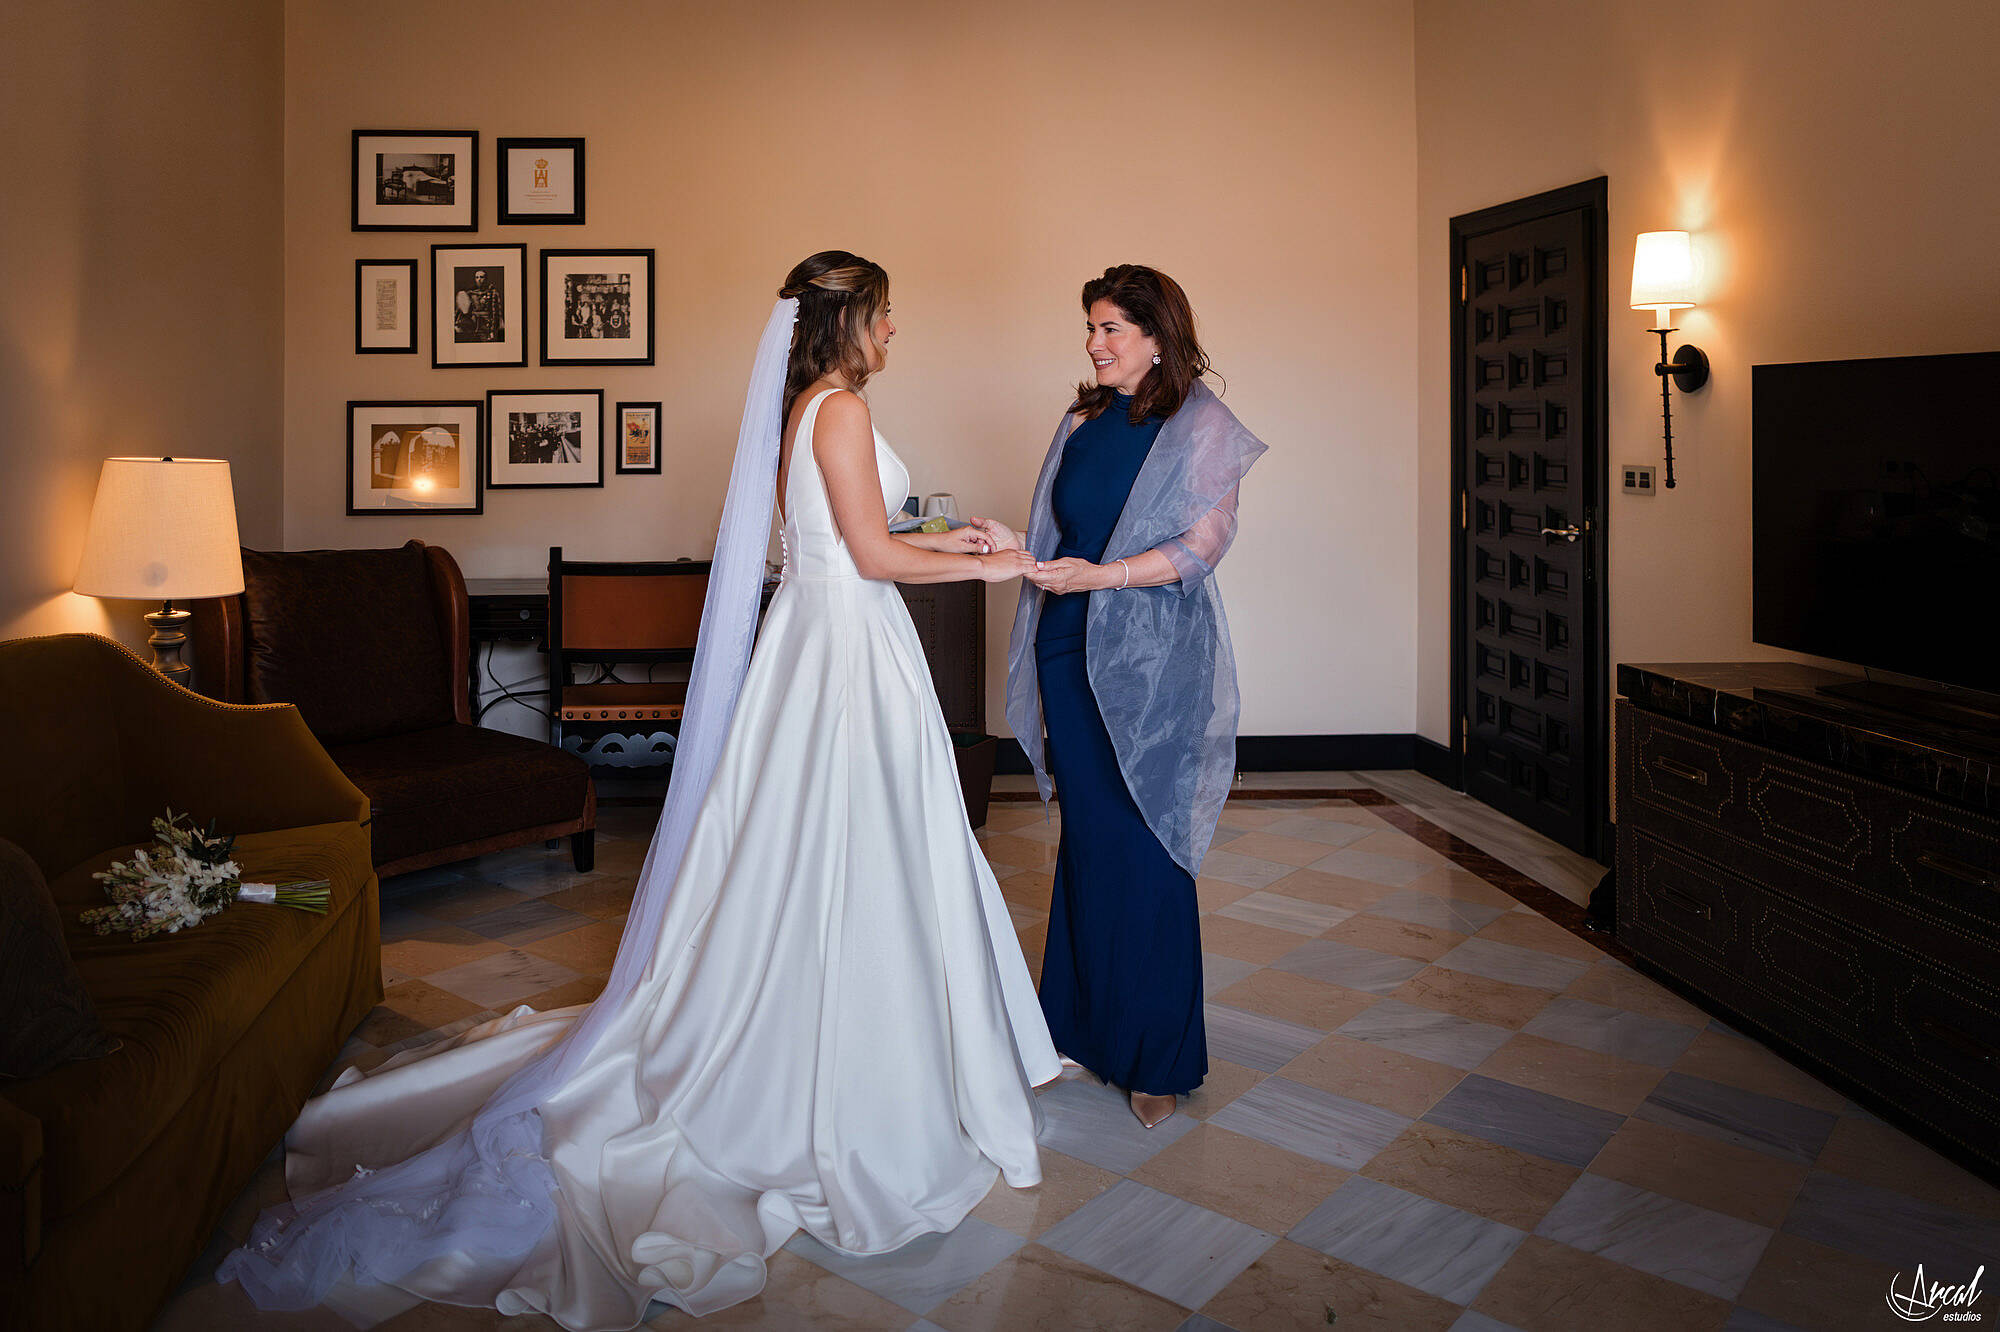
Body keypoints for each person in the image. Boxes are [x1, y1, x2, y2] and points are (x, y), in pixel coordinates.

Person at [218, 251, 1057, 1329]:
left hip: (824, 640)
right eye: (888, 315)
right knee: (857, 845)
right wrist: (992, 566)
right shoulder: (839, 408)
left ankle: (844, 1019)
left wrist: (951, 534)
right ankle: (852, 1065)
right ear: (849, 322)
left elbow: (853, 545)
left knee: (821, 846)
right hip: (845, 650)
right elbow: (866, 555)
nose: (897, 331)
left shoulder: (807, 407)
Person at [977, 264, 1267, 1130]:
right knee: (1091, 837)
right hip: (1070, 649)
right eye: (1091, 329)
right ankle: (1075, 1026)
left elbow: (1201, 548)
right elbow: (1053, 536)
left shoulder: (1202, 424)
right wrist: (1008, 543)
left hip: (1154, 661)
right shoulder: (1082, 419)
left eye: (1110, 329)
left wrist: (1102, 577)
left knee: (1150, 844)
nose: (1095, 344)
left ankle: (1158, 1058)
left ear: (1155, 336)